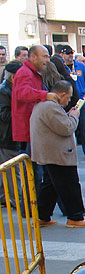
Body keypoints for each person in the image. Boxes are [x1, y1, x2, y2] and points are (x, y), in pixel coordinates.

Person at [31, 80, 85, 228]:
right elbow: (67, 128)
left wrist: (68, 115)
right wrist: (74, 115)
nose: (69, 101)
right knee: (70, 185)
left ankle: (42, 216)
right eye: (68, 97)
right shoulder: (50, 106)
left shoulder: (45, 105)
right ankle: (75, 217)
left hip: (49, 152)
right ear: (62, 94)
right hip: (57, 154)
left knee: (50, 185)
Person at [60, 45, 85, 160]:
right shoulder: (61, 67)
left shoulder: (80, 66)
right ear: (62, 55)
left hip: (80, 101)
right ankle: (69, 151)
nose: (70, 55)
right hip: (67, 101)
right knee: (67, 127)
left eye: (72, 53)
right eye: (68, 53)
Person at [0, 61, 23, 208]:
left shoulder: (10, 90)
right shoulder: (4, 92)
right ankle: (17, 201)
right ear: (14, 78)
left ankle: (6, 197)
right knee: (12, 171)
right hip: (7, 137)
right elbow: (4, 115)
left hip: (10, 136)